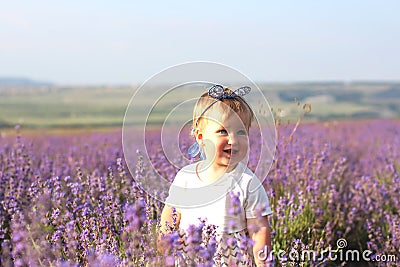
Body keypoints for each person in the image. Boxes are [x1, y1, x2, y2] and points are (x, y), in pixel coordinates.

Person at [158, 84, 273, 266]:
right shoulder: (186, 177)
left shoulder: (247, 183)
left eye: (241, 132)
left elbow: (259, 230)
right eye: (223, 132)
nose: (233, 140)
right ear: (200, 137)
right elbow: (170, 213)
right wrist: (166, 239)